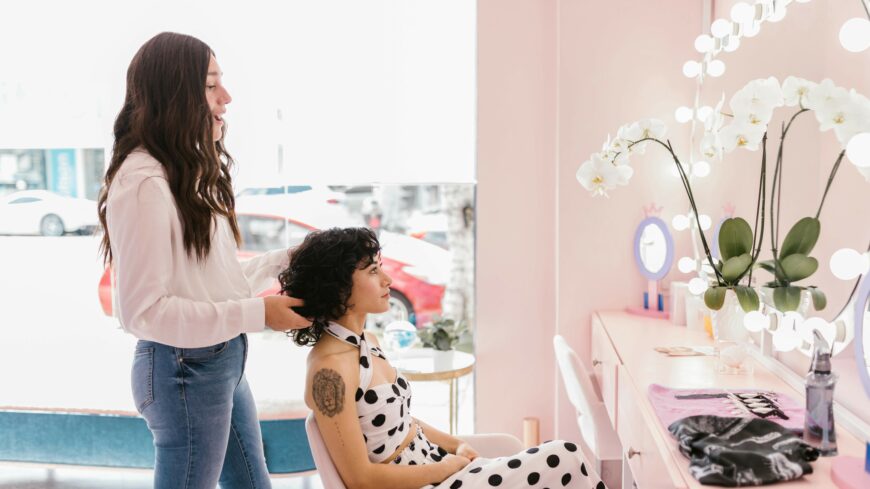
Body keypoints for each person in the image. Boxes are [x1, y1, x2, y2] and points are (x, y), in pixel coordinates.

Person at [96, 32, 311, 489]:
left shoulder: (183, 175)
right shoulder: (144, 184)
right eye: (211, 84)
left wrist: (288, 260)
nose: (226, 97)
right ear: (175, 94)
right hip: (184, 371)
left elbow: (212, 286)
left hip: (219, 361)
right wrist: (258, 314)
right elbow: (143, 313)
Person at [280, 227, 607, 489]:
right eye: (373, 271)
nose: (387, 280)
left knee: (564, 463)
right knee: (564, 456)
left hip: (438, 468)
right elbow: (360, 480)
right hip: (426, 482)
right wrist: (444, 469)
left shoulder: (368, 343)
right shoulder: (330, 370)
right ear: (338, 287)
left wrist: (455, 446)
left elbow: (403, 424)